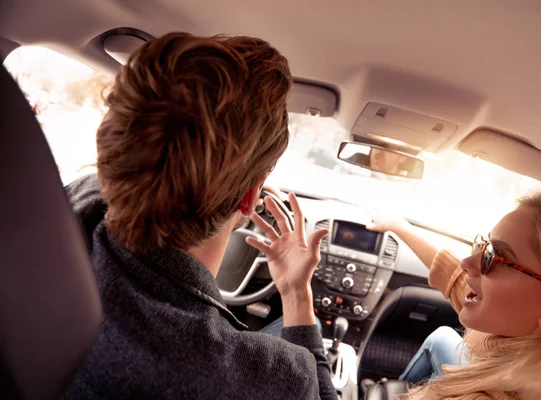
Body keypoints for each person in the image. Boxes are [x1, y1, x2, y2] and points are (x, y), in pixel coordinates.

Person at [63, 32, 337, 399]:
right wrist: (296, 293)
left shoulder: (66, 211)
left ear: (111, 153)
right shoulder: (275, 380)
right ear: (250, 196)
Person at [365, 195, 541, 399]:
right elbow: (452, 275)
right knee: (442, 337)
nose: (468, 263)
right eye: (485, 247)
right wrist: (399, 226)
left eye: (495, 259)